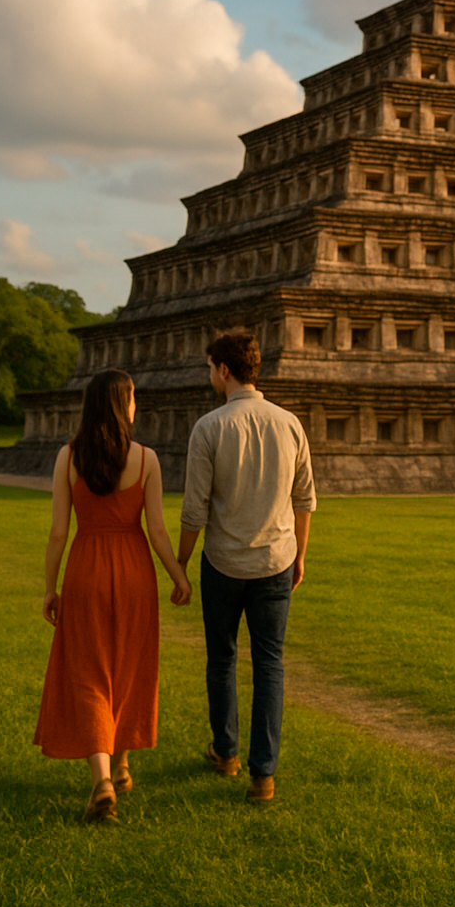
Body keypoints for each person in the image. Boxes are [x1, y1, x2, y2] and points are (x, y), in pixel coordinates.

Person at [35, 369, 191, 822]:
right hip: (133, 570)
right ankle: (120, 764)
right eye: (134, 399)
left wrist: (50, 587)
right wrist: (178, 575)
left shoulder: (68, 457)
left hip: (86, 568)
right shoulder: (146, 459)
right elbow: (158, 530)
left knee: (88, 670)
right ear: (124, 405)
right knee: (128, 664)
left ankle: (105, 777)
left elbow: (58, 531)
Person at [177, 332, 315, 802]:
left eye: (210, 366)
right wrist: (301, 555)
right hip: (276, 560)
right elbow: (305, 500)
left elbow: (194, 510)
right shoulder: (289, 423)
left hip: (222, 561)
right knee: (269, 665)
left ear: (223, 370)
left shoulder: (210, 427)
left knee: (223, 659)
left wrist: (180, 561)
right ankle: (264, 775)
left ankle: (227, 753)